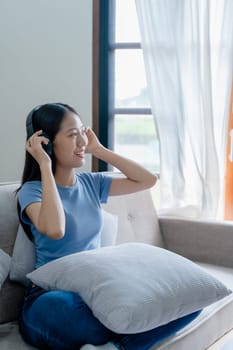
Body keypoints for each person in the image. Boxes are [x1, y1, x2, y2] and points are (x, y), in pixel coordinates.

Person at [17, 102, 200, 350]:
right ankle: (122, 342)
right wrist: (45, 166)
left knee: (188, 302)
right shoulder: (32, 191)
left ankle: (113, 347)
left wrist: (99, 150)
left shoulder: (93, 183)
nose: (82, 141)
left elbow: (147, 180)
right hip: (50, 297)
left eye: (83, 131)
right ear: (46, 143)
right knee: (59, 306)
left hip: (97, 293)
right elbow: (55, 229)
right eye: (73, 135)